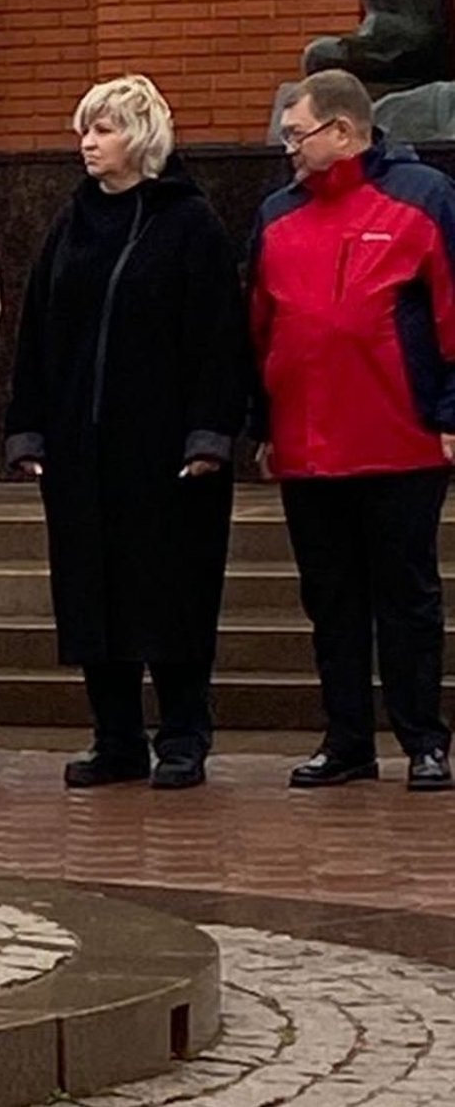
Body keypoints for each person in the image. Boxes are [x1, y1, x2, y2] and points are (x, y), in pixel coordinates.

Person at [5, 74, 247, 791]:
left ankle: (183, 735)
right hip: (83, 451)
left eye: (104, 129)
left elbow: (219, 338)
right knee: (93, 592)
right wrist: (28, 431)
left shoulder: (189, 223)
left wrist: (210, 434)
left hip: (166, 453)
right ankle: (115, 738)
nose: (88, 142)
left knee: (172, 592)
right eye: (85, 128)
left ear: (141, 138)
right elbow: (37, 330)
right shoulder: (70, 224)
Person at [250, 68, 455, 791]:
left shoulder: (425, 198)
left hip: (401, 437)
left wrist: (450, 412)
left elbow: (452, 310)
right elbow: (260, 327)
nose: (289, 150)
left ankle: (424, 740)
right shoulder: (276, 214)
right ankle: (346, 742)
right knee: (330, 599)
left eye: (297, 135)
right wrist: (263, 425)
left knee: (407, 596)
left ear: (341, 131)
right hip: (306, 444)